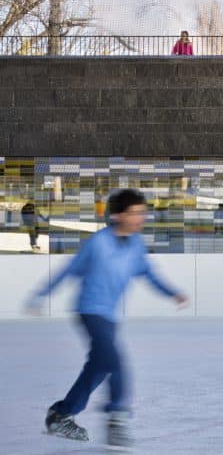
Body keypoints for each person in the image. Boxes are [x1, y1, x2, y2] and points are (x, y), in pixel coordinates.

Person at [26, 188, 189, 448]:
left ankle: (61, 414)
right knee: (114, 360)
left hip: (109, 316)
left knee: (99, 368)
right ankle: (117, 418)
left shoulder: (136, 245)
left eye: (143, 213)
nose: (141, 218)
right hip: (90, 311)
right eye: (135, 213)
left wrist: (172, 293)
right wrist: (40, 295)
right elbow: (69, 270)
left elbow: (149, 274)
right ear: (118, 215)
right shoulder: (99, 243)